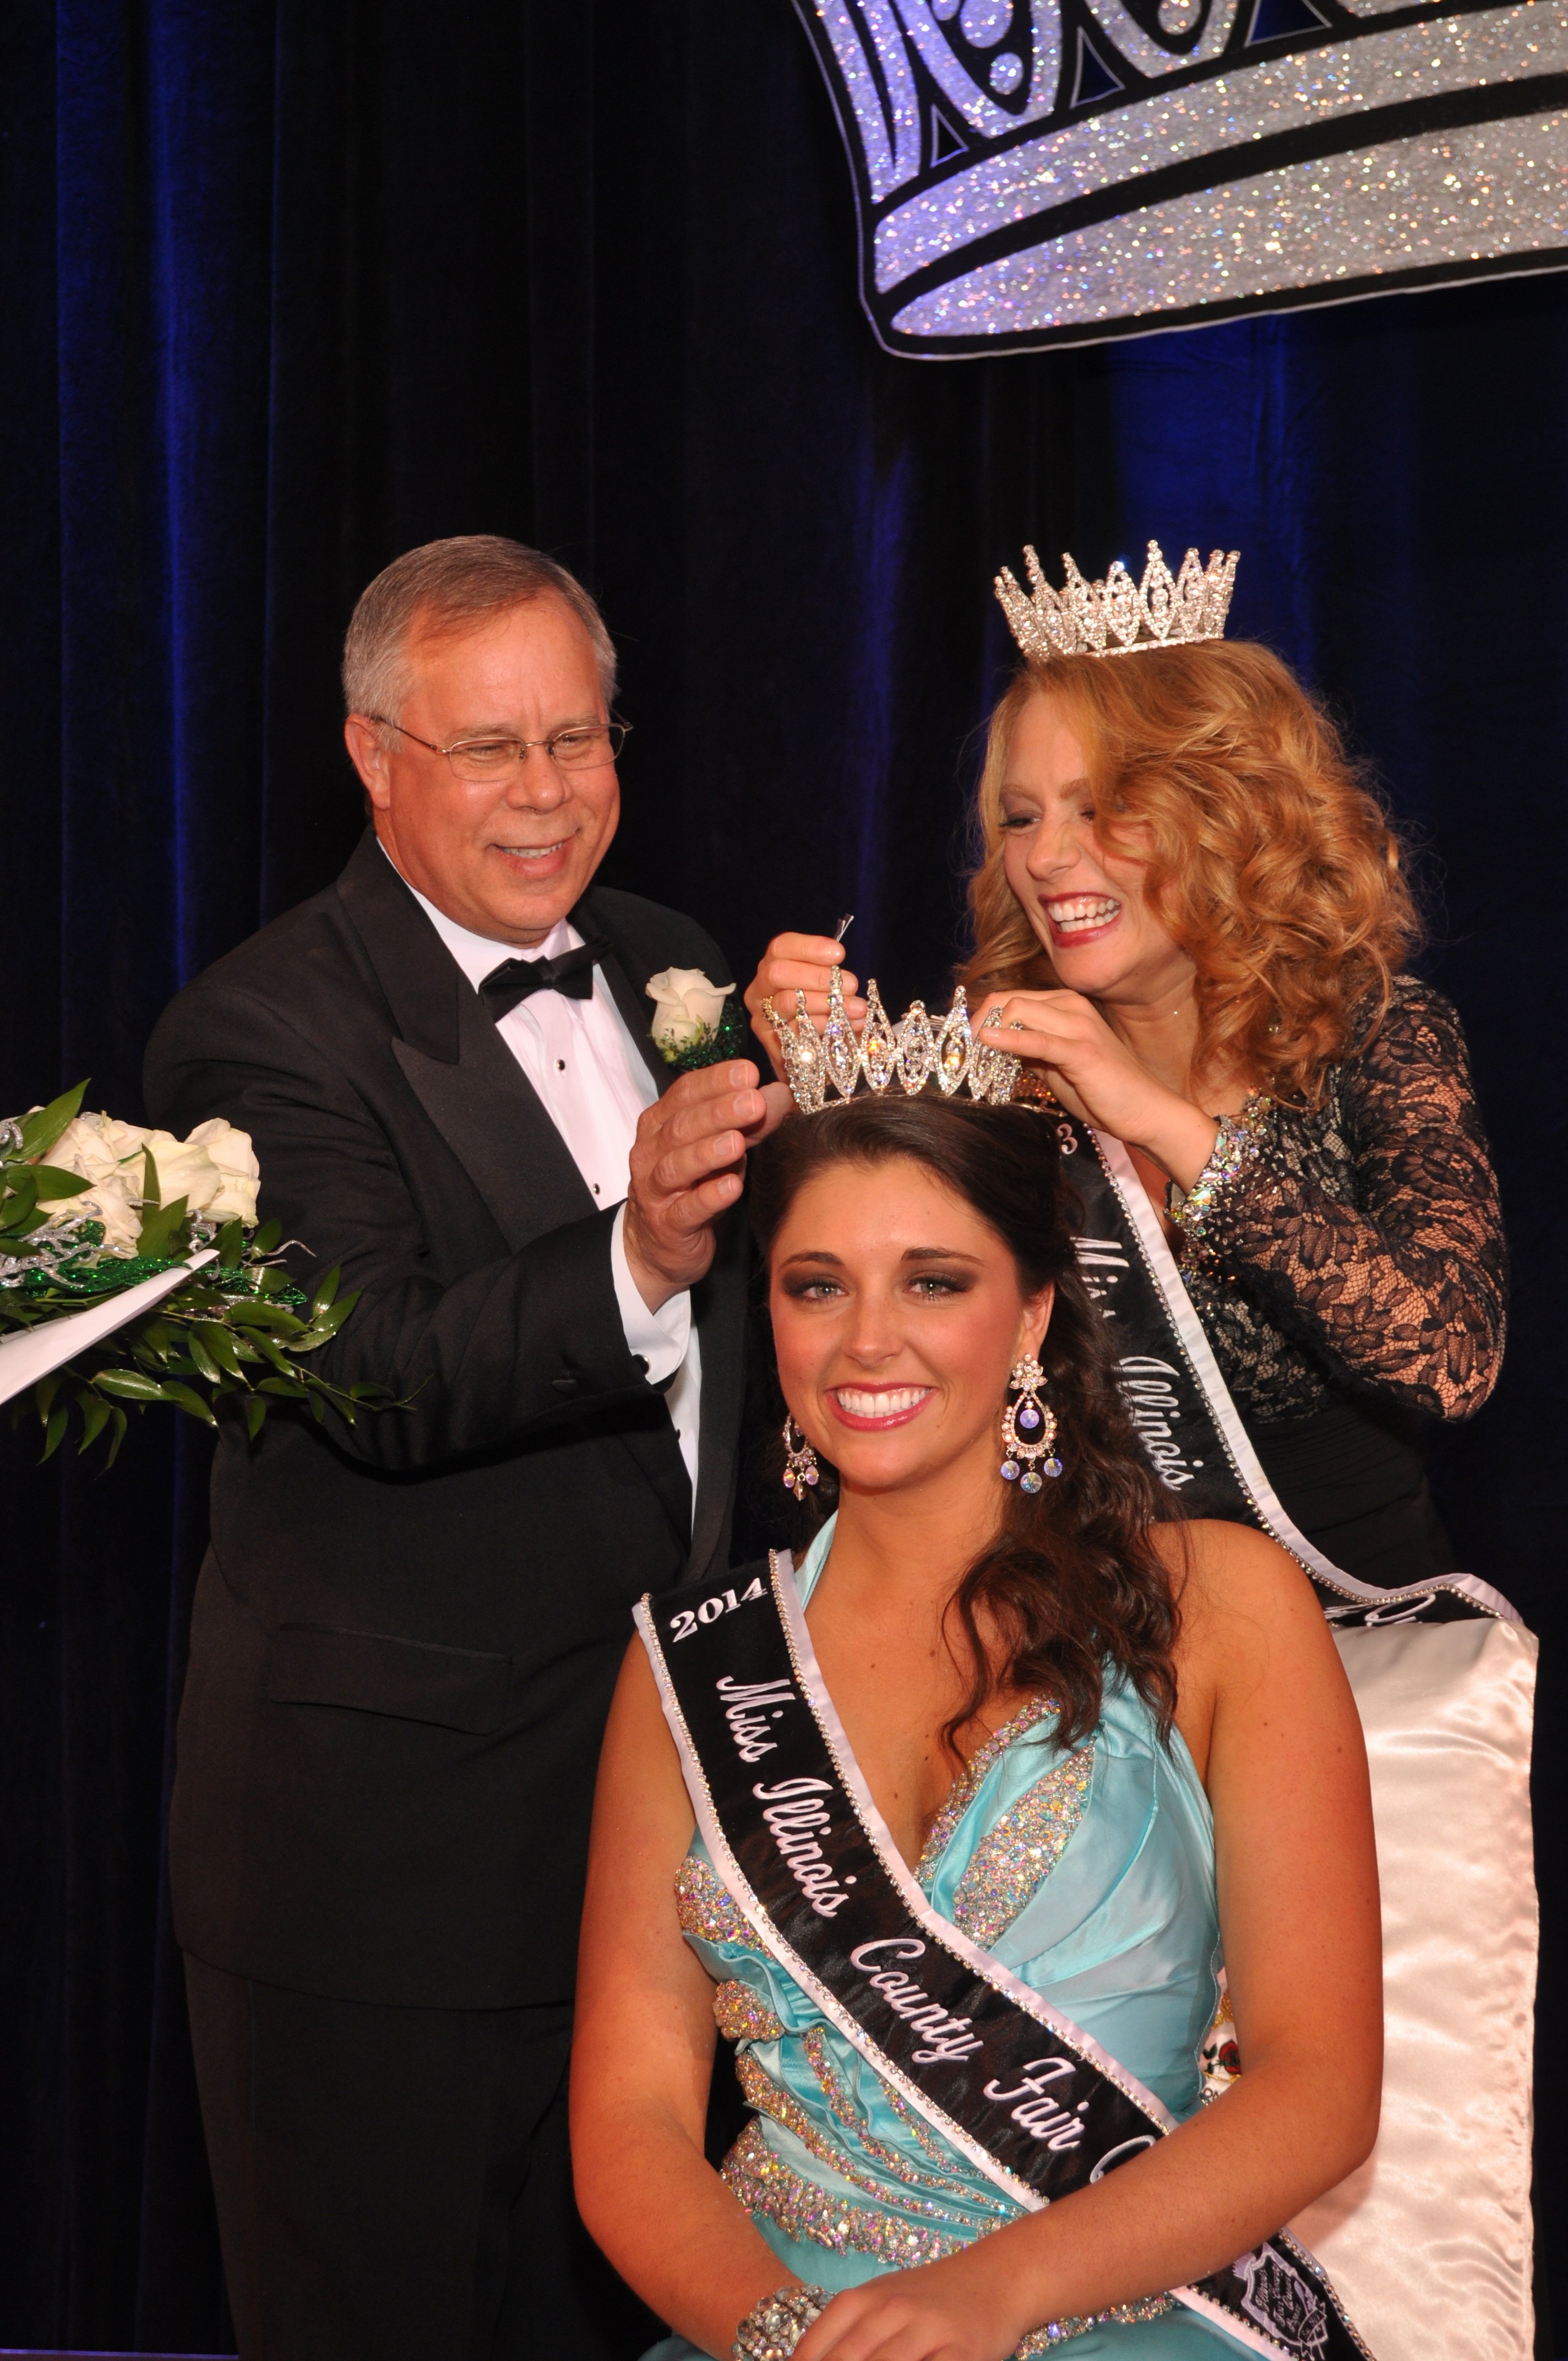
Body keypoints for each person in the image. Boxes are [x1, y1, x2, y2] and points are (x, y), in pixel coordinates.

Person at [143, 535, 787, 2361]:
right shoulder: (256, 1032)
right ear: (371, 758)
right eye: (488, 746)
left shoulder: (670, 961)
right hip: (386, 1878)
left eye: (576, 738)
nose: (547, 793)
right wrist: (636, 1250)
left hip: (663, 1851)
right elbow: (372, 1370)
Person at [572, 1076, 1382, 2361]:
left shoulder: (1218, 1600)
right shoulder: (696, 1662)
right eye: (816, 1284)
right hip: (778, 2320)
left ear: (1032, 1314)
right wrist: (786, 2339)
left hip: (1112, 2302)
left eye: (933, 1281)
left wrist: (989, 2294)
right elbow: (629, 2117)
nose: (865, 1341)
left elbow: (1319, 2088)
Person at [746, 542, 1505, 1588]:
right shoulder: (995, 1073)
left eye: (1100, 808)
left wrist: (1159, 1121)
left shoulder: (1375, 1036)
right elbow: (858, 1417)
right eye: (1023, 816)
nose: (1048, 856)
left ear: (1229, 813)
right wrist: (814, 1112)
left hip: (1362, 1646)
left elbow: (1449, 1352)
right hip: (1092, 1653)